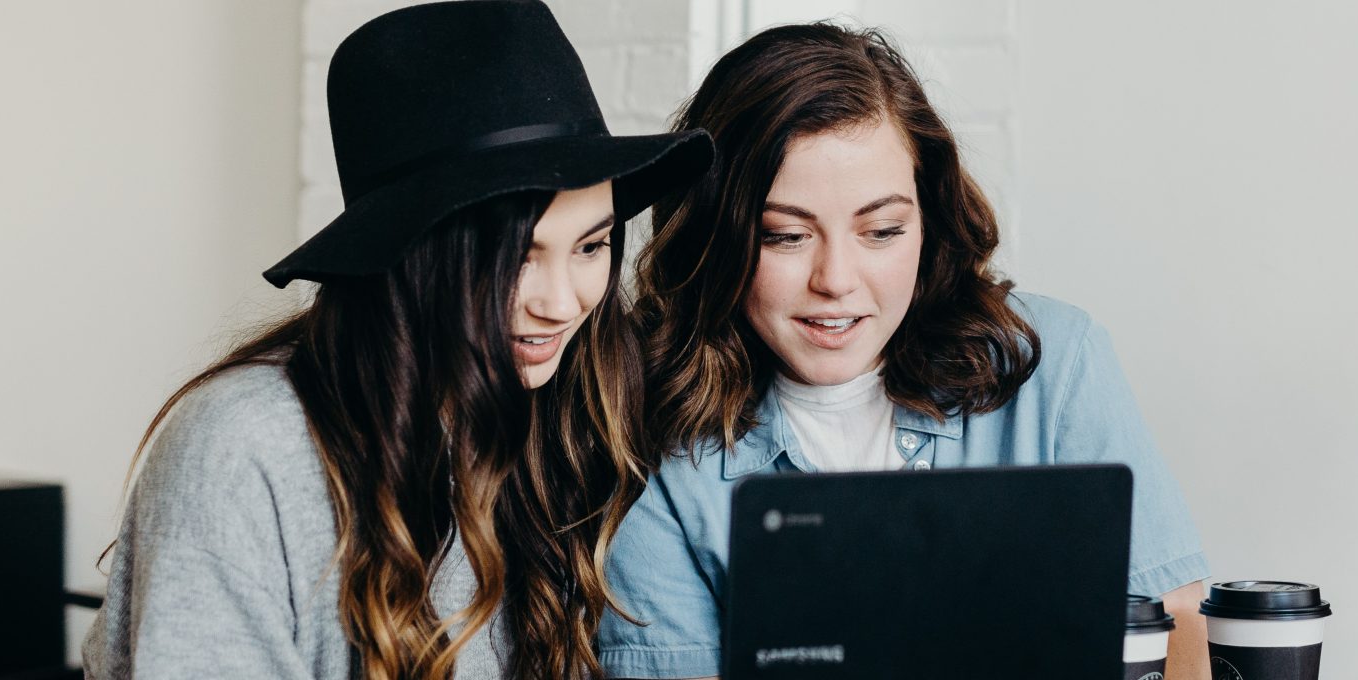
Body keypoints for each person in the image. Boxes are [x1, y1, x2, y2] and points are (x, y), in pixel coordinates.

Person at [81, 2, 711, 678]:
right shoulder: (248, 447)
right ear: (414, 256)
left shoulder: (568, 414)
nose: (561, 303)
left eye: (592, 245)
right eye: (518, 258)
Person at [598, 22, 1210, 680]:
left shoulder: (1053, 365)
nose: (836, 279)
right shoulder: (653, 447)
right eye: (785, 236)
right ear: (718, 239)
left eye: (881, 230)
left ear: (929, 219)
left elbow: (1175, 634)